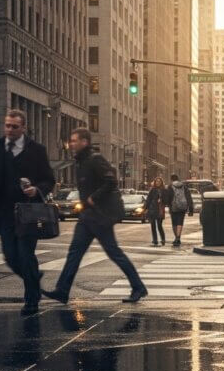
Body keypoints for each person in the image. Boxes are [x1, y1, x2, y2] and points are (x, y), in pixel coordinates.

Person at [42, 128, 148, 303]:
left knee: (114, 253)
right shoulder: (80, 161)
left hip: (100, 216)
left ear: (85, 142)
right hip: (87, 217)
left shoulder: (95, 159)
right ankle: (62, 290)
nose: (71, 144)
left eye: (75, 140)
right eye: (71, 141)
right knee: (74, 252)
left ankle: (138, 287)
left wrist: (93, 198)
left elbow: (111, 180)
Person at [0, 109, 56, 316]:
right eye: (7, 125)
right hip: (4, 212)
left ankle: (31, 299)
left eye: (14, 126)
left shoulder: (37, 150)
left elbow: (49, 179)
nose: (9, 129)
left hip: (29, 213)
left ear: (23, 128)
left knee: (26, 255)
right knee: (10, 256)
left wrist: (36, 189)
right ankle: (34, 277)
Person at [163, 174, 194, 247]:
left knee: (174, 223)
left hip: (173, 207)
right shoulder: (184, 186)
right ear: (178, 179)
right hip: (183, 207)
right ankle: (178, 237)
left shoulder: (170, 187)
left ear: (171, 179)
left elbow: (168, 197)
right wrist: (191, 208)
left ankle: (176, 238)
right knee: (180, 222)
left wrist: (167, 204)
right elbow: (188, 197)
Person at [145, 177, 166, 246]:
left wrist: (162, 200)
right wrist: (145, 208)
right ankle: (155, 240)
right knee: (153, 226)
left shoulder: (164, 190)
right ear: (155, 182)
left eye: (159, 181)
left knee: (159, 226)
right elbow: (148, 199)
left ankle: (163, 239)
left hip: (160, 210)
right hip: (153, 210)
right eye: (156, 181)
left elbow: (167, 199)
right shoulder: (152, 189)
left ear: (161, 182)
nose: (158, 183)